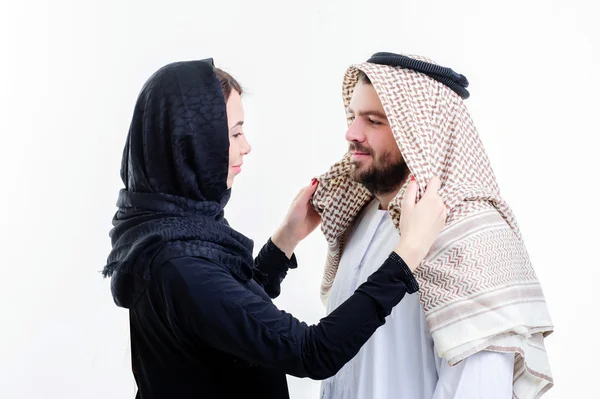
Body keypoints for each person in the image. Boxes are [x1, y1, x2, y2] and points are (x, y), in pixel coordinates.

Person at [102, 58, 448, 399]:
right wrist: (408, 253)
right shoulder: (179, 264)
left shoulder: (166, 229)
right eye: (235, 133)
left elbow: (230, 317)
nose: (246, 146)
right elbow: (313, 352)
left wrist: (286, 237)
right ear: (191, 145)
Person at [311, 52, 554, 399]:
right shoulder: (363, 220)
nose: (352, 133)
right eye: (352, 117)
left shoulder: (473, 237)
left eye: (374, 121)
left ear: (422, 135)